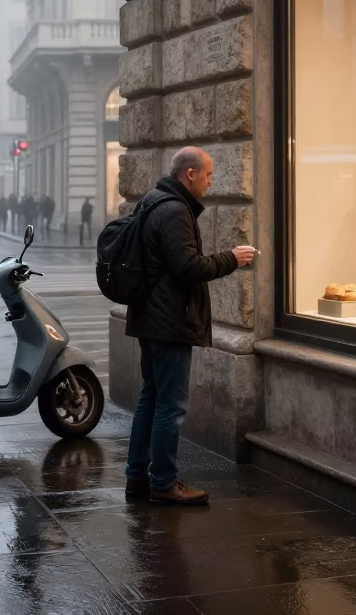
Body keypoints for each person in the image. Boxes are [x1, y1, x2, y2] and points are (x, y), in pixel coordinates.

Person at [124, 146, 256, 506]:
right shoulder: (174, 210)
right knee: (170, 404)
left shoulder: (152, 200)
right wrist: (232, 258)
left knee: (150, 399)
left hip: (150, 318)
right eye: (209, 175)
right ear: (191, 174)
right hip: (169, 321)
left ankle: (137, 477)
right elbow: (188, 268)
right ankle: (164, 482)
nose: (212, 182)